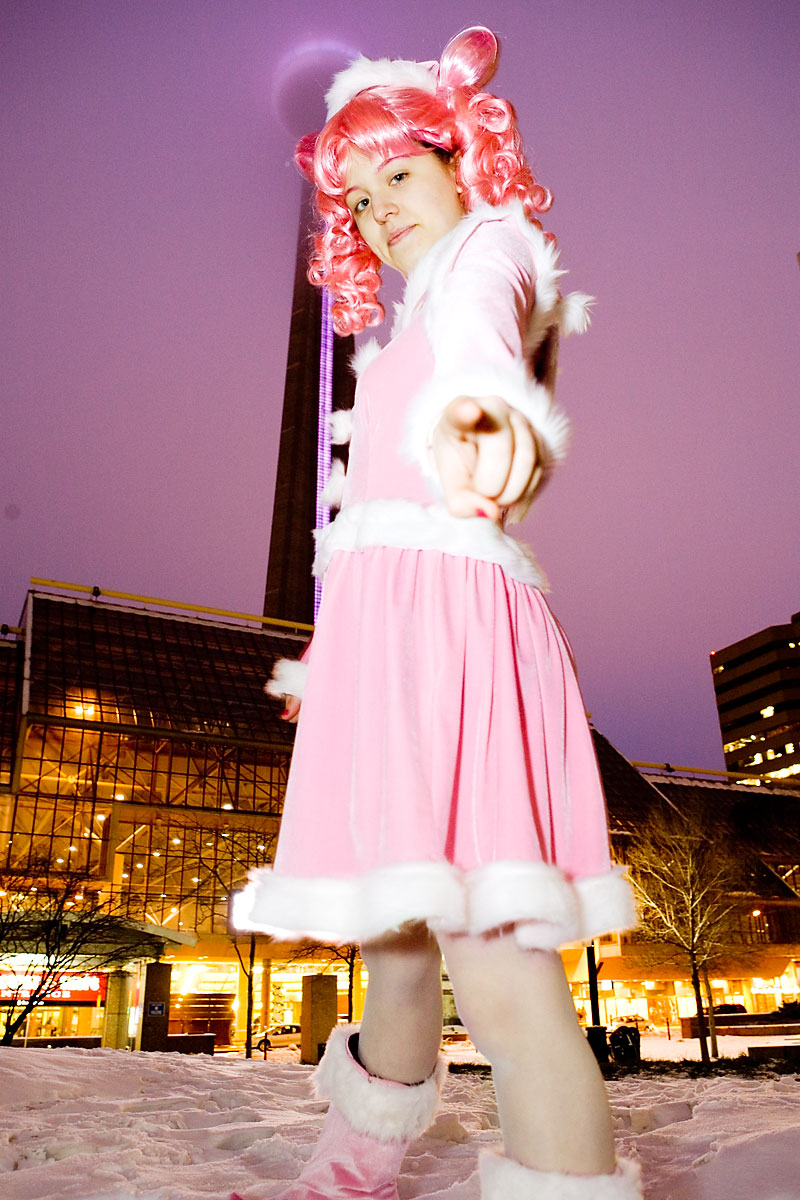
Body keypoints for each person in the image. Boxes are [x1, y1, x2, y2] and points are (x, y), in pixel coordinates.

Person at [234, 26, 642, 1200]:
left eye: (397, 176)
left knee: (499, 977)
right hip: (400, 641)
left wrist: (482, 420)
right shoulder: (416, 314)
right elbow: (381, 513)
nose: (376, 214)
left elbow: (482, 359)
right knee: (398, 948)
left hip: (451, 637)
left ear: (460, 161)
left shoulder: (485, 253)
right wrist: (337, 665)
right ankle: (348, 1176)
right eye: (357, 202)